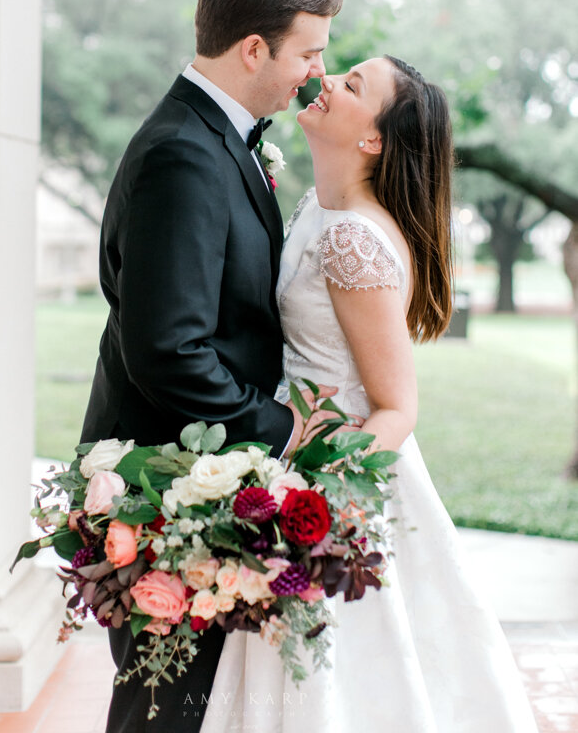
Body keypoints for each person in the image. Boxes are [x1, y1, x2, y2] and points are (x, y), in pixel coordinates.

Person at [201, 55, 538, 732]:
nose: (324, 81)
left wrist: (314, 508)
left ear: (373, 140)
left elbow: (395, 407)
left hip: (338, 480)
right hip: (287, 451)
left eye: (351, 86)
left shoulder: (354, 237)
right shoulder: (318, 208)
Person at [79, 0, 350, 732]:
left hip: (197, 472)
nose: (316, 74)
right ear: (254, 49)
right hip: (166, 486)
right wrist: (279, 429)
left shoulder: (219, 136)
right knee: (160, 711)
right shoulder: (183, 156)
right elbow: (169, 349)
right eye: (309, 52)